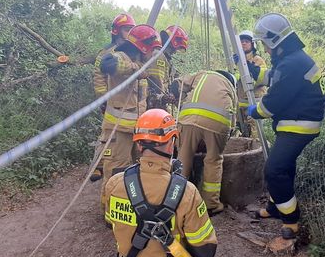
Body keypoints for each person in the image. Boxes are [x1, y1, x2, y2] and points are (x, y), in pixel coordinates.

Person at [106, 108, 217, 257]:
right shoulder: (186, 192)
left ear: (139, 145)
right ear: (171, 142)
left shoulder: (115, 183)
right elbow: (205, 252)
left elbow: (112, 223)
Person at [245, 13, 325, 240]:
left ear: (274, 41)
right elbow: (272, 76)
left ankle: (291, 220)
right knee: (284, 167)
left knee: (275, 170)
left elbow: (273, 102)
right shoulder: (292, 59)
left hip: (299, 124)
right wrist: (250, 68)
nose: (264, 49)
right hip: (296, 121)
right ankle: (274, 207)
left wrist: (256, 111)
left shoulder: (292, 63)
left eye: (264, 44)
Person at [98, 24, 162, 224]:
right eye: (151, 50)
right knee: (116, 171)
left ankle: (127, 209)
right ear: (143, 47)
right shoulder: (121, 57)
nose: (152, 55)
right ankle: (110, 215)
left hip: (135, 130)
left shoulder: (139, 63)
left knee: (133, 172)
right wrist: (136, 69)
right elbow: (106, 64)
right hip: (118, 130)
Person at [171, 70, 237, 215]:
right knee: (214, 160)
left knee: (183, 157)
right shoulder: (231, 88)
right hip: (218, 123)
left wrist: (179, 100)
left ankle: (175, 199)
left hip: (188, 118)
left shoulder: (202, 74)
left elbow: (176, 84)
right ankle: (211, 204)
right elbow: (233, 120)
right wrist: (221, 141)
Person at [90, 13, 136, 182]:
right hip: (111, 101)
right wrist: (104, 99)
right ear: (117, 31)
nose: (129, 33)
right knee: (107, 135)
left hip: (127, 101)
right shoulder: (106, 53)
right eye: (126, 29)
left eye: (131, 29)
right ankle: (97, 166)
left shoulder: (132, 52)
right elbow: (99, 77)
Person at [146, 25, 190, 111]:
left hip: (155, 104)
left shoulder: (165, 59)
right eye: (177, 48)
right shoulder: (159, 56)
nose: (175, 52)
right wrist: (163, 99)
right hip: (153, 106)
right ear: (173, 43)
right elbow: (157, 85)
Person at [235, 30, 267, 137]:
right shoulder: (236, 60)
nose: (243, 43)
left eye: (246, 41)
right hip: (240, 104)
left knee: (255, 134)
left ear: (253, 44)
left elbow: (259, 80)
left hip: (254, 104)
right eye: (241, 41)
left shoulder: (258, 60)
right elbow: (235, 78)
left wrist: (246, 65)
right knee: (240, 133)